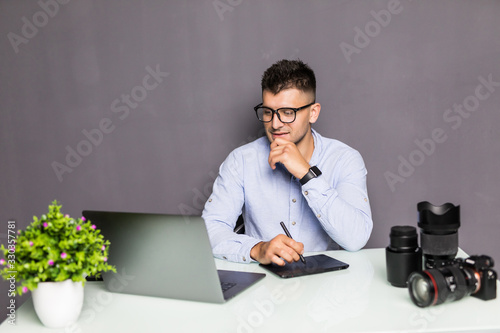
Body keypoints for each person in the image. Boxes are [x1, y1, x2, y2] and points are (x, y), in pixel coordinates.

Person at [202, 59, 372, 266]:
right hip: (261, 287)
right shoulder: (241, 161)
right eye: (268, 112)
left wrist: (307, 174)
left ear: (313, 112)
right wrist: (257, 249)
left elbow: (356, 238)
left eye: (287, 113)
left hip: (327, 289)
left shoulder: (345, 159)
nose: (275, 124)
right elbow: (209, 228)